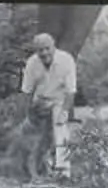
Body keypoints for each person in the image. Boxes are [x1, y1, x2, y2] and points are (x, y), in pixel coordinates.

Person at [17, 31, 78, 180]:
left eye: (47, 48)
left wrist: (64, 113)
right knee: (34, 135)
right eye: (40, 50)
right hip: (40, 100)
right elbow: (26, 92)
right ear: (36, 50)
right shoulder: (32, 63)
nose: (44, 53)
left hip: (60, 100)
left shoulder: (66, 60)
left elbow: (71, 91)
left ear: (53, 46)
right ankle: (36, 168)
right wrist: (24, 116)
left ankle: (63, 172)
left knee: (60, 130)